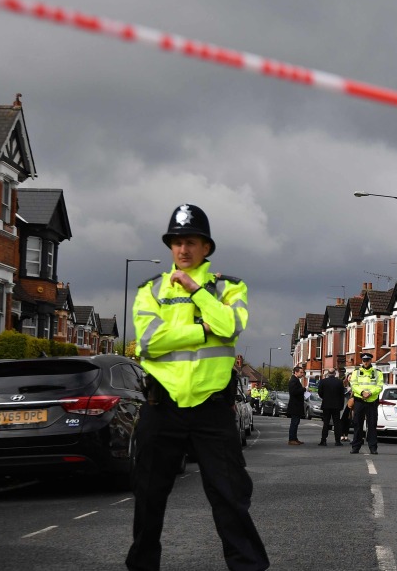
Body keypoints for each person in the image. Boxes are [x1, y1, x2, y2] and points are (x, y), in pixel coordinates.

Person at [125, 203, 269, 571]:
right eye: (176, 242)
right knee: (148, 497)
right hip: (163, 407)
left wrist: (196, 291)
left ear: (207, 247)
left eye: (190, 242)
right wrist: (202, 329)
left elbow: (232, 325)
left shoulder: (229, 287)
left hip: (212, 409)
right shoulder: (150, 290)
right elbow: (148, 343)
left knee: (230, 496)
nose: (183, 250)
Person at [349, 352, 384, 455]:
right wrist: (362, 392)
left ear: (371, 361)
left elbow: (380, 386)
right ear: (362, 361)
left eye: (367, 360)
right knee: (357, 425)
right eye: (364, 360)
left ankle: (373, 447)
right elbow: (353, 384)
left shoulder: (377, 372)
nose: (365, 362)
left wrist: (370, 393)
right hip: (360, 401)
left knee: (372, 425)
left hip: (372, 402)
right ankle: (356, 447)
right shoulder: (356, 372)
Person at [317, 370, 346, 446]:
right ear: (335, 373)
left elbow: (320, 393)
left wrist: (325, 398)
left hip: (326, 405)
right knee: (337, 423)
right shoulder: (339, 382)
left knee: (326, 423)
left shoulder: (323, 381)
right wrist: (341, 405)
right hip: (336, 406)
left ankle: (323, 440)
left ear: (328, 374)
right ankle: (337, 441)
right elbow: (342, 395)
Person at [287, 365, 305, 445]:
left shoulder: (296, 380)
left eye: (303, 372)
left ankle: (295, 438)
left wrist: (306, 392)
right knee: (294, 423)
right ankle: (291, 439)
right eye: (301, 372)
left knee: (296, 422)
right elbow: (294, 392)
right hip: (295, 405)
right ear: (296, 372)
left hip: (297, 405)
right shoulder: (293, 381)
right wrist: (304, 389)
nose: (302, 374)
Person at [338, 370, 352, 443]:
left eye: (352, 377)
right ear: (347, 377)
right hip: (343, 404)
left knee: (348, 421)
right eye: (350, 377)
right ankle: (341, 435)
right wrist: (347, 390)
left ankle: (346, 436)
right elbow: (340, 392)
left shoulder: (354, 385)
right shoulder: (343, 383)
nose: (351, 378)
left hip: (351, 405)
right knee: (342, 420)